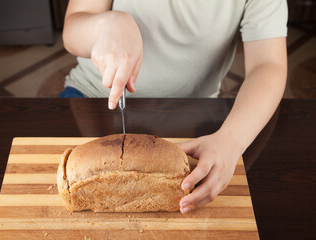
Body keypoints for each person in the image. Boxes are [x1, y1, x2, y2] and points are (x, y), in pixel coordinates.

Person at [61, 0, 288, 214]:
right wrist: (104, 25)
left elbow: (268, 64)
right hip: (91, 97)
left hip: (197, 117)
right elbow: (72, 30)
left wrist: (231, 140)